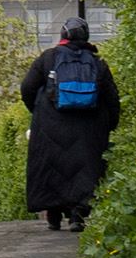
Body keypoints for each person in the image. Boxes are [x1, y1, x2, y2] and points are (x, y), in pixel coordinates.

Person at [20, 19, 121, 232]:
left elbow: (27, 88)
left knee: (51, 167)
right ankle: (78, 214)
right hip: (90, 127)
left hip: (50, 125)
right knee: (85, 169)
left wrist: (38, 113)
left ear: (62, 35)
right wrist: (110, 124)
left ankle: (54, 216)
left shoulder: (48, 58)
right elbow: (112, 98)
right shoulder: (97, 62)